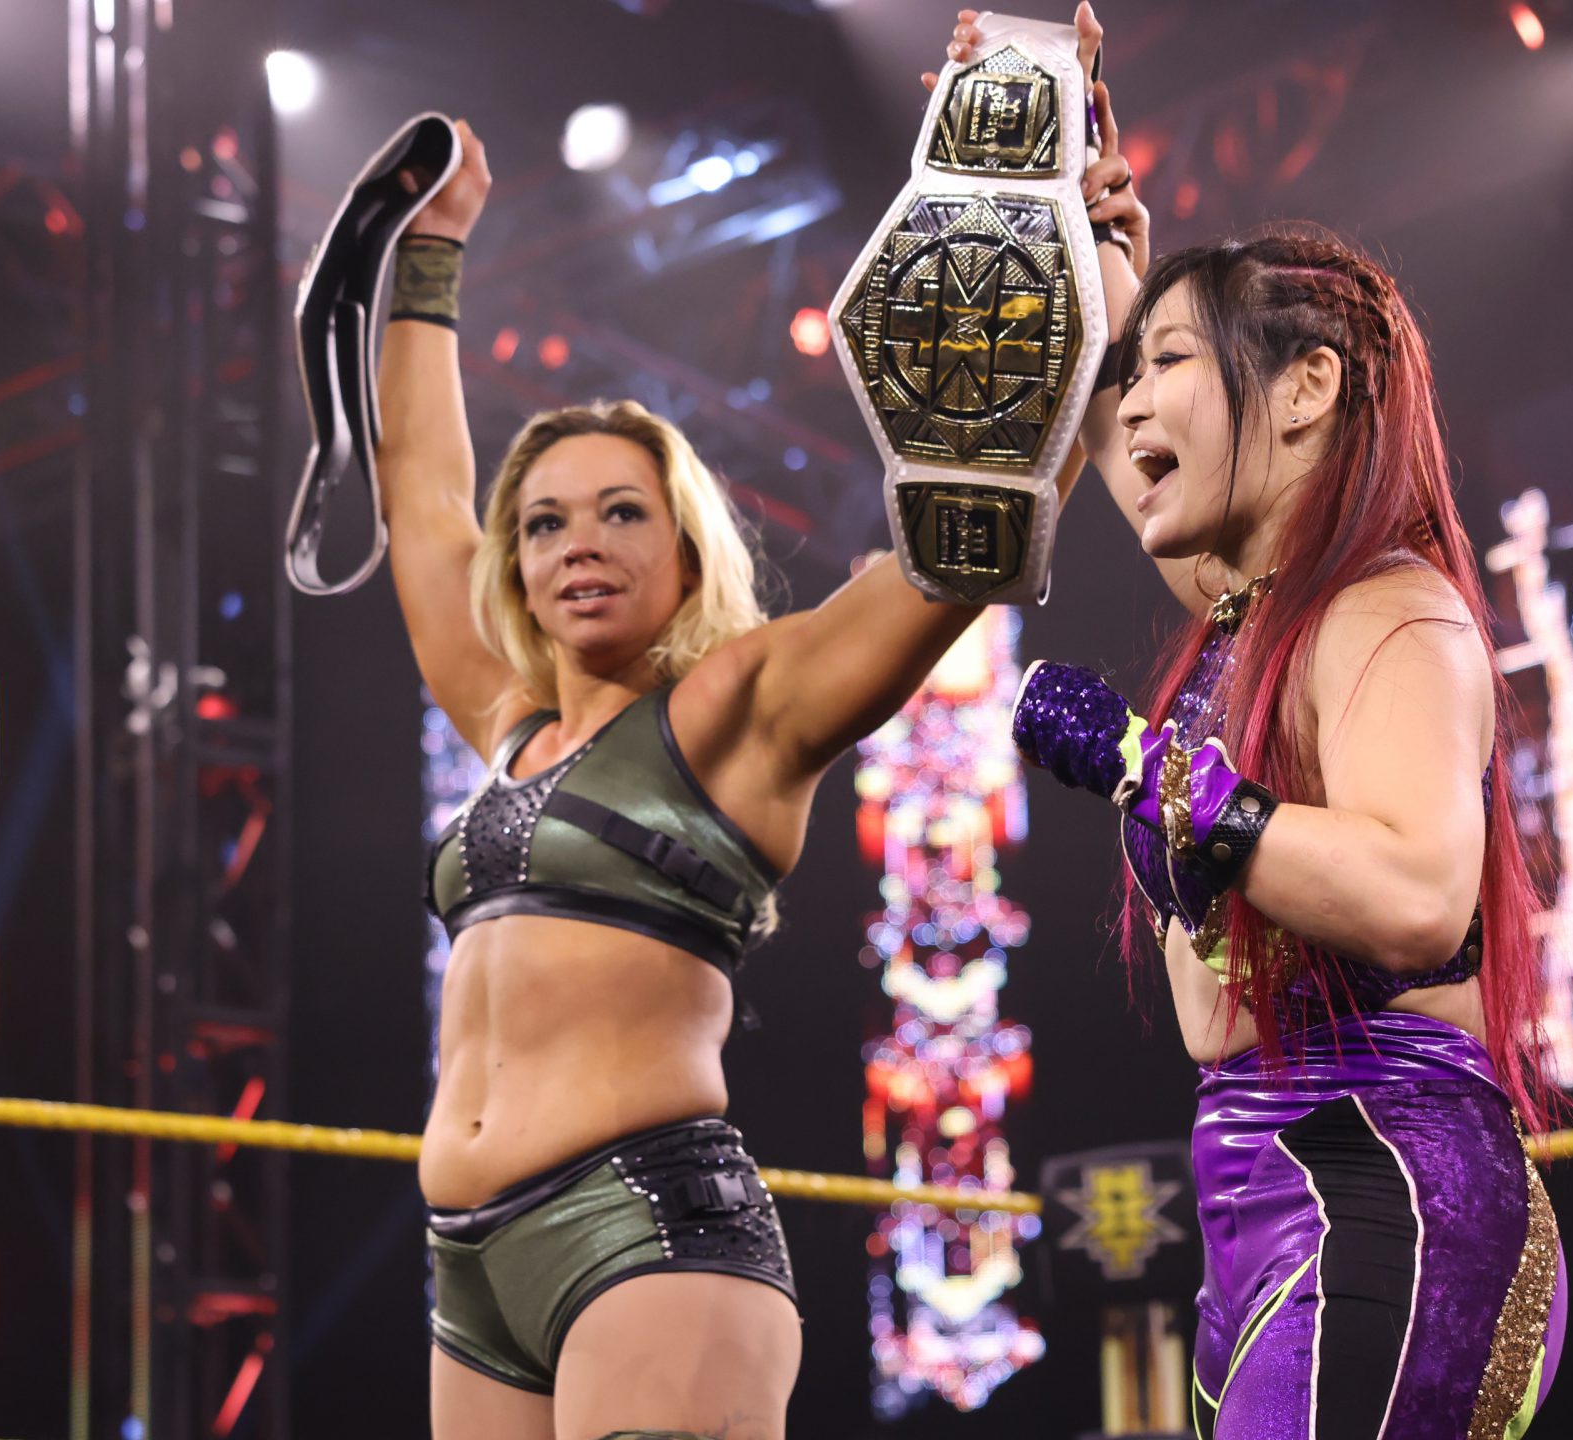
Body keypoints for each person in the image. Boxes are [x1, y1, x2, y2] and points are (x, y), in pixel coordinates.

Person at [374, 14, 1147, 1436]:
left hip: (647, 1232)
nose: (576, 542)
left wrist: (1082, 261)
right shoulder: (508, 725)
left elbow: (967, 533)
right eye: (542, 522)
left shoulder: (738, 708)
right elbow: (421, 500)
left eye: (620, 512)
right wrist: (424, 261)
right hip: (470, 1266)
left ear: (685, 552)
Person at [985, 9, 1570, 1427]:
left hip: (1389, 1171)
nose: (1133, 408)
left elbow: (1417, 896)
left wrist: (1150, 771)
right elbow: (1120, 448)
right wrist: (1068, 193)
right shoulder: (1254, 617)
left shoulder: (1390, 607)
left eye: (1172, 364)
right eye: (1139, 369)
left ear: (1307, 386)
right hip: (1263, 1192)